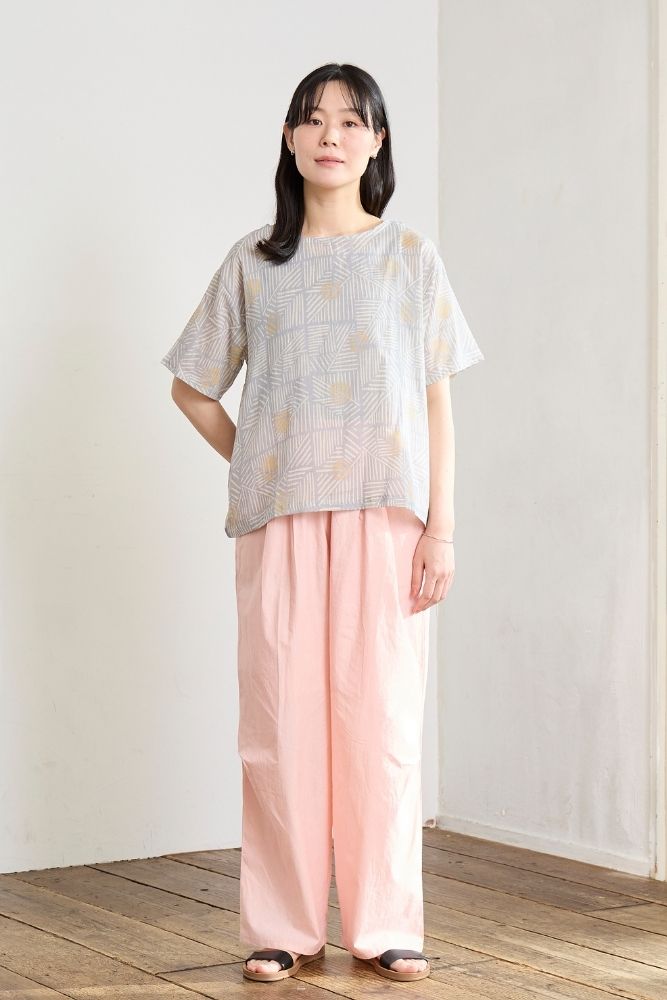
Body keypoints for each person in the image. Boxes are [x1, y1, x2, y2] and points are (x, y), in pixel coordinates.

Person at [161, 62, 484, 985]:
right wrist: (261, 462)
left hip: (388, 522)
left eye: (349, 121)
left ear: (376, 141)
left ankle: (384, 925)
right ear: (289, 139)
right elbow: (191, 388)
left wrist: (441, 528)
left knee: (381, 725)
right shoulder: (254, 261)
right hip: (281, 525)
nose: (329, 135)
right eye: (311, 119)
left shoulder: (410, 257)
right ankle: (282, 927)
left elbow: (437, 404)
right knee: (281, 727)